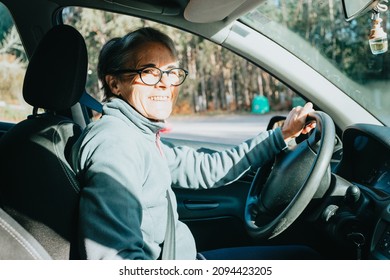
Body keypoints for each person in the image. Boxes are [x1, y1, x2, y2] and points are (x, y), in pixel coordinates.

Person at [71, 27, 317, 260]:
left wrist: (282, 135)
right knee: (307, 258)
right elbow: (115, 259)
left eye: (171, 73)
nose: (166, 84)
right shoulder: (117, 143)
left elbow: (208, 168)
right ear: (115, 84)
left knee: (303, 256)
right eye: (149, 72)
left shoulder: (141, 136)